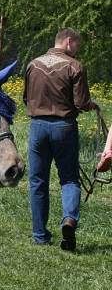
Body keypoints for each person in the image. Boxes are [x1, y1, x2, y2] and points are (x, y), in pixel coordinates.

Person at [23, 28, 97, 251]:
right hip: (64, 128)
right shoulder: (74, 66)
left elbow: (26, 98)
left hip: (37, 127)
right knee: (69, 179)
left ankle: (39, 235)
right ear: (68, 41)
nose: (78, 50)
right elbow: (81, 103)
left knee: (38, 181)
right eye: (77, 45)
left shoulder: (32, 64)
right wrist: (92, 106)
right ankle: (69, 219)